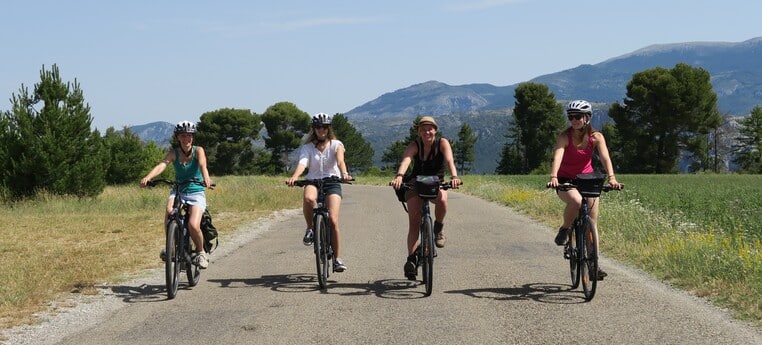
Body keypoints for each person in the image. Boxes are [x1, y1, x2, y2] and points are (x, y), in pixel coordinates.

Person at [547, 100, 622, 279]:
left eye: (578, 117)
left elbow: (605, 158)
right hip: (565, 179)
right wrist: (554, 177)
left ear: (587, 117)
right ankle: (565, 229)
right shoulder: (564, 136)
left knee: (591, 223)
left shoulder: (596, 137)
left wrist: (612, 178)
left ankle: (593, 265)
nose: (574, 120)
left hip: (587, 179)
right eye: (571, 117)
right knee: (576, 201)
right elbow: (557, 156)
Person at [390, 116, 461, 280]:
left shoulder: (442, 143)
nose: (427, 132)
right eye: (423, 129)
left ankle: (438, 228)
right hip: (417, 182)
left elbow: (449, 159)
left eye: (430, 128)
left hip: (436, 182)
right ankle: (411, 260)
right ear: (418, 132)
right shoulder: (415, 145)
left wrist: (455, 176)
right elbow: (406, 160)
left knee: (443, 200)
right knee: (414, 222)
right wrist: (400, 176)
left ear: (435, 130)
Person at [140, 121, 214, 269]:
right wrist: (148, 177)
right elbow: (163, 164)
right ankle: (171, 249)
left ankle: (200, 253)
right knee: (169, 212)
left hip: (196, 191)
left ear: (193, 137)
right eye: (183, 136)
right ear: (178, 138)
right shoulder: (174, 152)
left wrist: (206, 178)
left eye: (189, 136)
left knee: (193, 224)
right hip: (179, 189)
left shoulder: (198, 150)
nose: (187, 139)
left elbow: (202, 165)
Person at [286, 113, 353, 272]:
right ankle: (310, 227)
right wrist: (295, 176)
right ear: (313, 129)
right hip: (313, 180)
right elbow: (303, 163)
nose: (321, 130)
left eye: (324, 127)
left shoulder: (336, 144)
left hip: (332, 181)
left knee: (334, 221)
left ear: (328, 128)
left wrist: (344, 173)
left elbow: (340, 160)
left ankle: (337, 259)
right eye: (318, 127)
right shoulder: (307, 147)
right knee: (309, 199)